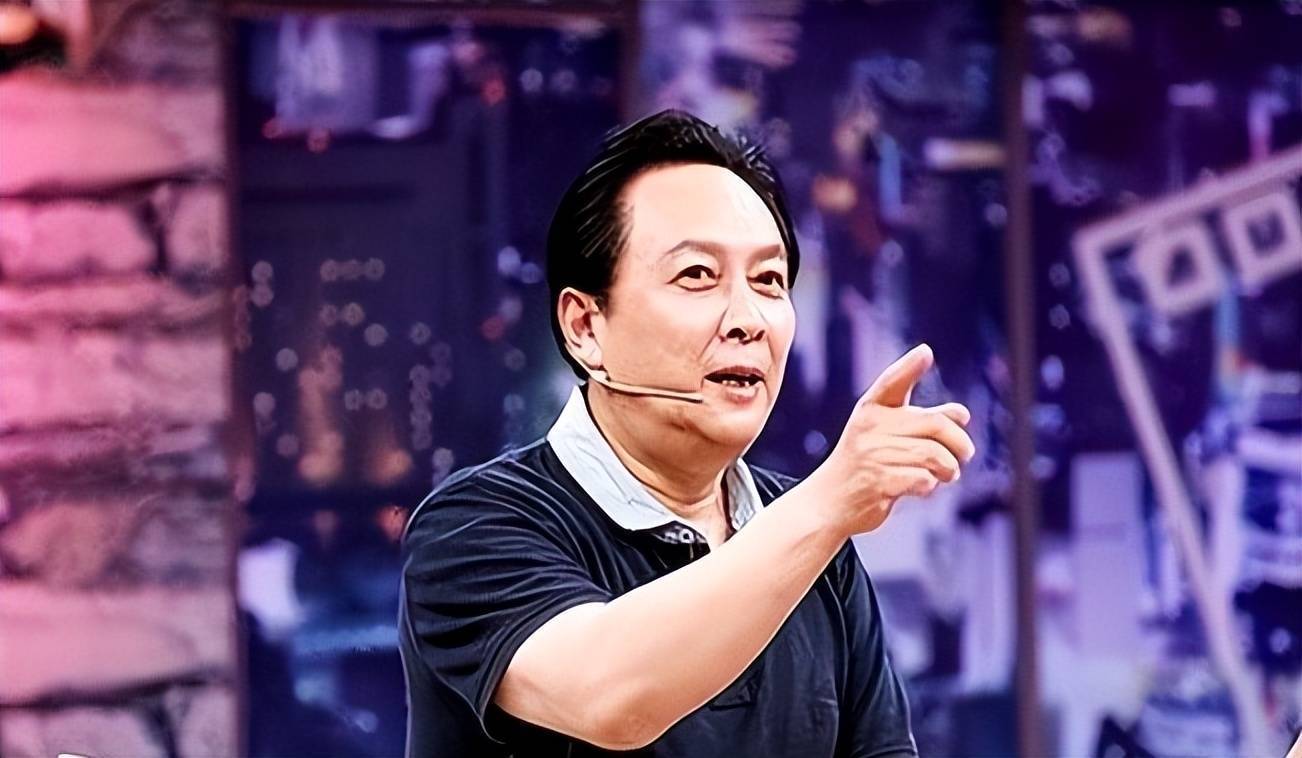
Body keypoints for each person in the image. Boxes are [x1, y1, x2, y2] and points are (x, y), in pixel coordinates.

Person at [398, 109, 975, 757]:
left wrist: (821, 517)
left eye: (768, 281)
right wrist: (829, 502)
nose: (747, 319)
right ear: (585, 328)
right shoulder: (472, 526)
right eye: (697, 275)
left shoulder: (819, 551)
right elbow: (608, 696)